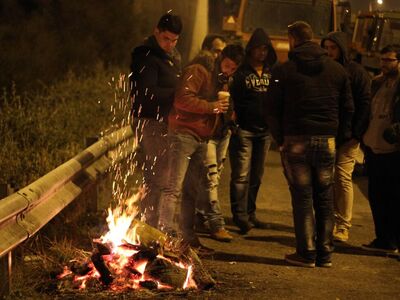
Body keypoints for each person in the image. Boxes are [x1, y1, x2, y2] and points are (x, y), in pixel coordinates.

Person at [264, 21, 354, 268]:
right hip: (327, 140)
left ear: (293, 39)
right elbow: (348, 107)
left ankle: (307, 253)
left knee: (302, 197)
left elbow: (271, 108)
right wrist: (340, 135)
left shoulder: (284, 71)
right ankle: (325, 254)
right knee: (324, 197)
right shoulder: (337, 71)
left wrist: (280, 139)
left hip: (296, 140)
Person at [158, 45, 244, 254]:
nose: (228, 71)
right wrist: (212, 106)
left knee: (191, 190)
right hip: (183, 134)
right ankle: (163, 236)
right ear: (219, 58)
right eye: (226, 66)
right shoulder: (198, 70)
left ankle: (187, 237)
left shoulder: (220, 78)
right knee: (173, 187)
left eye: (233, 69)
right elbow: (182, 99)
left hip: (202, 137)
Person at [129, 13, 183, 227]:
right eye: (166, 39)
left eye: (175, 40)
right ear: (156, 31)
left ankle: (155, 225)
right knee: (157, 177)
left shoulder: (170, 57)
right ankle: (149, 226)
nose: (170, 44)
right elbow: (146, 94)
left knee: (163, 176)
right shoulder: (146, 57)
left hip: (165, 122)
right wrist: (177, 93)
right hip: (150, 121)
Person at [321, 31, 371, 242]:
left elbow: (364, 103)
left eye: (333, 48)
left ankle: (343, 225)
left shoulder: (355, 72)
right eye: (326, 48)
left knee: (342, 177)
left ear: (342, 48)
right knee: (328, 178)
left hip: (349, 135)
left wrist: (357, 133)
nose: (329, 52)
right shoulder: (324, 69)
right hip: (329, 132)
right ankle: (331, 221)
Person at [229, 28, 277, 234]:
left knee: (256, 176)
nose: (262, 53)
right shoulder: (241, 74)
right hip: (245, 131)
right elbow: (233, 100)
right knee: (241, 175)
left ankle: (250, 212)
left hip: (264, 132)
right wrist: (234, 123)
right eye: (258, 49)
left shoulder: (271, 72)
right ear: (250, 50)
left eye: (265, 49)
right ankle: (239, 216)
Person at [194, 34, 233, 242]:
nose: (220, 55)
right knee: (210, 180)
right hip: (206, 133)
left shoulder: (223, 74)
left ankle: (199, 215)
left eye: (222, 51)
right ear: (206, 49)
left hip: (222, 132)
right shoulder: (200, 72)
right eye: (217, 50)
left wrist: (231, 122)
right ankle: (217, 224)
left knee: (213, 177)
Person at [361, 44, 400, 255]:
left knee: (394, 197)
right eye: (382, 60)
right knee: (377, 196)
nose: (383, 64)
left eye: (389, 60)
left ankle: (394, 239)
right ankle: (383, 238)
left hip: (393, 150)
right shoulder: (377, 83)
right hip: (373, 146)